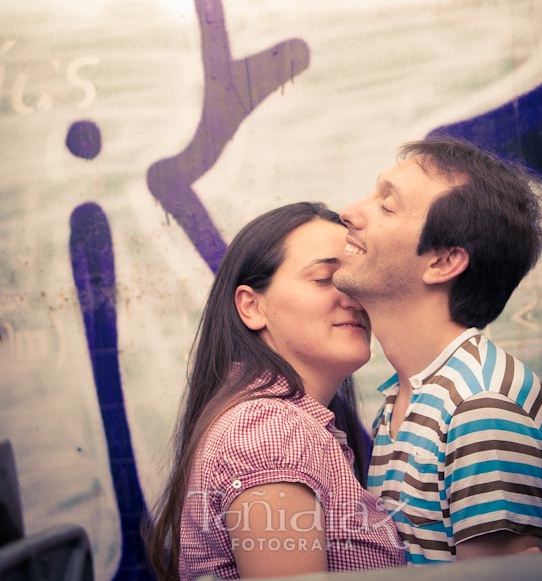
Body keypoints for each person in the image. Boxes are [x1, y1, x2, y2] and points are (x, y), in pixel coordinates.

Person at [334, 136, 542, 565]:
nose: (350, 213)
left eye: (386, 207)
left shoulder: (481, 407)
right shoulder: (408, 395)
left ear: (443, 262)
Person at [145, 202, 405, 580]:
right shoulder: (270, 432)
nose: (352, 296)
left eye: (354, 278)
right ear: (252, 307)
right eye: (324, 278)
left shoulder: (286, 423)